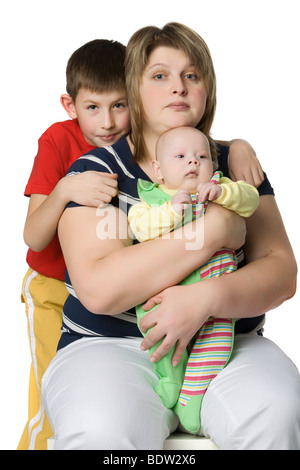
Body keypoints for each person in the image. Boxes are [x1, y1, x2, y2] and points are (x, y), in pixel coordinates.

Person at [42, 23, 300, 450]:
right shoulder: (96, 171)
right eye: (159, 75)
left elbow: (281, 271)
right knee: (102, 429)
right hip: (113, 344)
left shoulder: (233, 164)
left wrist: (206, 299)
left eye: (192, 76)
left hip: (225, 338)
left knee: (278, 411)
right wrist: (216, 228)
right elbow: (102, 289)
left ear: (206, 91)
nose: (178, 88)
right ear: (134, 90)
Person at [19, 39, 131, 450]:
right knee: (52, 398)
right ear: (70, 105)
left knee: (100, 402)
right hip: (52, 288)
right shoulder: (57, 141)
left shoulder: (141, 140)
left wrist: (239, 147)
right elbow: (33, 236)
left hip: (106, 295)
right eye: (93, 107)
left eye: (120, 105)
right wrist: (65, 188)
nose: (107, 121)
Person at [128, 126, 259, 433]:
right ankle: (170, 379)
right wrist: (172, 212)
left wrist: (224, 192)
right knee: (159, 336)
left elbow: (250, 200)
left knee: (215, 344)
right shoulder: (152, 200)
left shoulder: (219, 188)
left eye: (202, 156)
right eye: (181, 156)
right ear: (158, 170)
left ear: (213, 166)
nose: (193, 162)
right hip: (165, 294)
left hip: (214, 299)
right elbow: (141, 229)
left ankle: (193, 397)